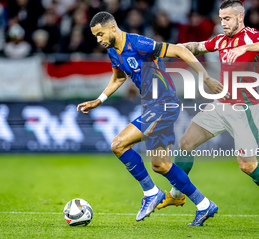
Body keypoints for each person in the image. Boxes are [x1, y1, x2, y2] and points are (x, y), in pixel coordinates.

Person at [77, 11, 223, 226]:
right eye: (95, 36)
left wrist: (207, 78)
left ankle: (151, 193)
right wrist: (99, 100)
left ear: (112, 28)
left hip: (163, 105)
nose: (98, 40)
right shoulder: (113, 51)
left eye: (100, 34)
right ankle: (204, 205)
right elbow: (119, 77)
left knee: (118, 144)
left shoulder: (138, 43)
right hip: (153, 106)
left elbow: (180, 50)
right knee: (161, 165)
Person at [158, 0, 259, 225]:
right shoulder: (220, 39)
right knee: (186, 143)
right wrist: (167, 49)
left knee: (247, 165)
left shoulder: (251, 37)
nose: (223, 23)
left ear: (240, 17)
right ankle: (177, 195)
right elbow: (197, 47)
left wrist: (245, 48)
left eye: (227, 19)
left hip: (244, 108)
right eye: (221, 19)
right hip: (220, 105)